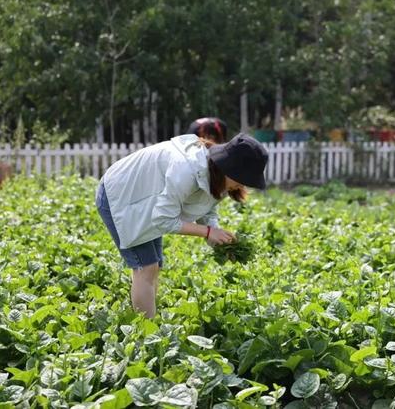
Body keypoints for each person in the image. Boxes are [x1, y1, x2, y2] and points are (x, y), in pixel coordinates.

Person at [95, 133, 268, 318]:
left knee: (154, 266)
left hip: (148, 199)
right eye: (242, 179)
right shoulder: (186, 169)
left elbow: (207, 209)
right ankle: (146, 336)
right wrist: (208, 232)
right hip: (121, 195)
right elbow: (163, 220)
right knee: (145, 267)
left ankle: (149, 323)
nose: (242, 185)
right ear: (230, 168)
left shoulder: (219, 175)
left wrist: (219, 239)